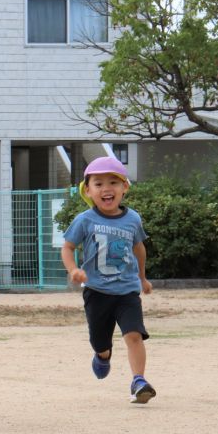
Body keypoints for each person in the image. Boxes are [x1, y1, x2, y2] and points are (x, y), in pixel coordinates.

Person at [61, 156, 156, 404]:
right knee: (99, 340)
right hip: (97, 291)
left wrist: (142, 278)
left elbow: (139, 249)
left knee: (134, 334)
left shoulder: (133, 219)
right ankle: (102, 356)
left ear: (124, 187)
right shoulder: (85, 220)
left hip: (127, 291)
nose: (107, 188)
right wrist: (73, 270)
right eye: (99, 183)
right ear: (88, 191)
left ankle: (139, 381)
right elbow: (67, 247)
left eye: (114, 182)